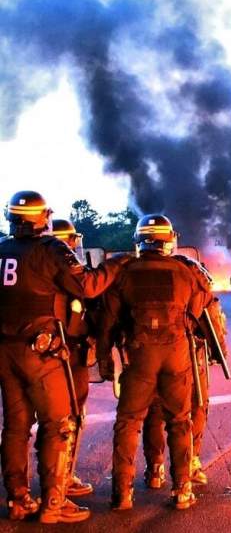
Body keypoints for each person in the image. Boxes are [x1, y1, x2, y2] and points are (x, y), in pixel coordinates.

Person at [0, 196, 125, 524]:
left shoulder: (1, 250)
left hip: (6, 350)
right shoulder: (50, 249)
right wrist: (116, 265)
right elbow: (87, 285)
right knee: (59, 422)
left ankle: (17, 499)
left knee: (15, 426)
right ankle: (54, 503)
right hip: (41, 350)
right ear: (38, 218)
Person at [95, 214, 209, 511]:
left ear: (139, 239)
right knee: (179, 421)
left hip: (139, 355)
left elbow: (108, 321)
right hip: (176, 354)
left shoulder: (125, 272)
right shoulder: (186, 271)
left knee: (128, 422)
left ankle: (122, 493)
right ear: (169, 238)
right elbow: (196, 314)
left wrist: (105, 357)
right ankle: (182, 489)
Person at [140, 248, 227, 493]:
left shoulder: (136, 271)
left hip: (146, 353)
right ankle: (191, 464)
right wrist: (219, 350)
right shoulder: (190, 271)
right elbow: (212, 315)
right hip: (187, 353)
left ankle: (155, 468)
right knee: (195, 407)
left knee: (154, 411)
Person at [49, 220, 97, 499]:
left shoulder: (28, 266)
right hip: (67, 355)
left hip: (26, 354)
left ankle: (18, 492)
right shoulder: (69, 272)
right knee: (70, 417)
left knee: (19, 425)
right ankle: (61, 482)